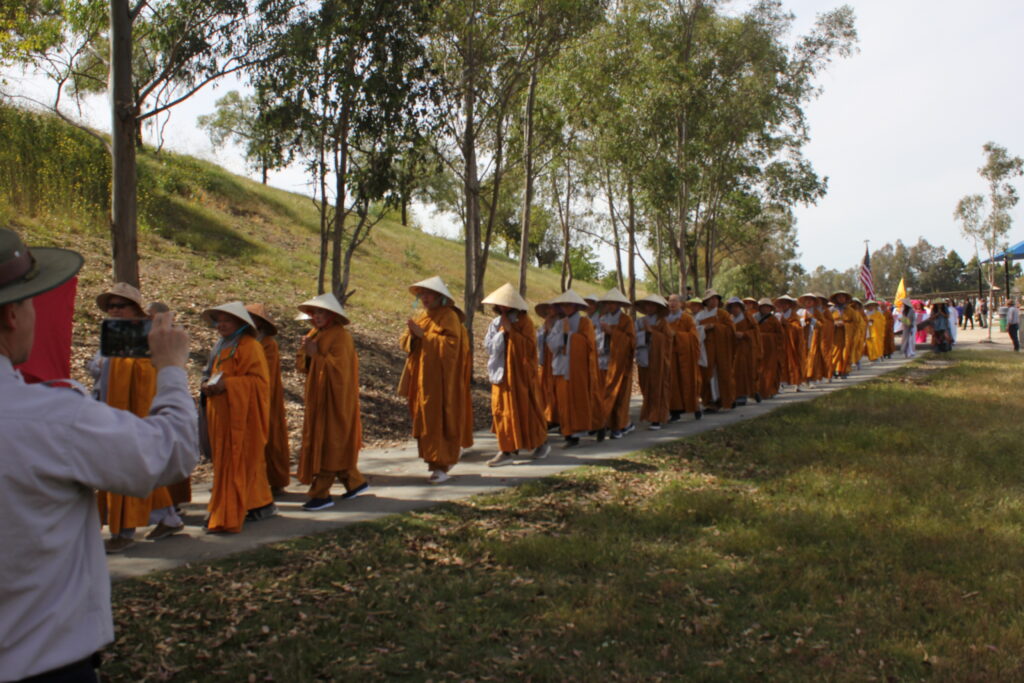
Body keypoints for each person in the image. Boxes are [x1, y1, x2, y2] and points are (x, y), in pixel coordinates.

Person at [0, 227, 197, 681]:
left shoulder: (54, 412)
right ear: (12, 314)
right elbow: (171, 451)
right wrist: (172, 369)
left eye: (121, 307)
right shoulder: (51, 417)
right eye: (30, 303)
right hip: (41, 660)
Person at [89, 283, 183, 553]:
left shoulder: (149, 334)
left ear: (135, 309)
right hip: (110, 407)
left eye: (121, 306)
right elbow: (99, 367)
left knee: (129, 466)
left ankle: (124, 529)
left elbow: (153, 369)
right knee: (134, 467)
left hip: (137, 409)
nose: (115, 311)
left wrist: (119, 366)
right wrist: (102, 366)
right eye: (111, 306)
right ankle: (168, 517)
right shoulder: (114, 332)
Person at [201, 301, 277, 532]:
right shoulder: (220, 346)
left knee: (243, 461)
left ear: (241, 323)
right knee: (228, 464)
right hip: (222, 415)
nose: (221, 325)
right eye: (219, 321)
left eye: (227, 321)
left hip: (244, 417)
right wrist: (206, 385)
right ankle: (257, 504)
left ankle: (235, 509)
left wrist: (229, 385)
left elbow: (259, 383)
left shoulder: (250, 346)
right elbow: (210, 374)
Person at [295, 293, 367, 509]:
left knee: (330, 443)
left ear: (332, 315)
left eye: (322, 312)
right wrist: (307, 353)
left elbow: (340, 371)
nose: (317, 316)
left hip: (336, 400)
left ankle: (321, 494)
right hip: (318, 398)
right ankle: (354, 483)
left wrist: (316, 355)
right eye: (315, 312)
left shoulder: (341, 336)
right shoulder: (315, 333)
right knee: (331, 441)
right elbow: (303, 367)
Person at [399, 276, 474, 482]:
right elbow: (405, 342)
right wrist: (412, 336)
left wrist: (424, 336)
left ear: (440, 297)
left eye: (429, 294)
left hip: (442, 383)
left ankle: (442, 465)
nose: (424, 298)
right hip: (423, 381)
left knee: (441, 419)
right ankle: (435, 462)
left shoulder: (448, 316)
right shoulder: (423, 317)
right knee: (426, 421)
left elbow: (452, 346)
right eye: (421, 294)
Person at [481, 283, 549, 466]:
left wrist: (511, 332)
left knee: (525, 410)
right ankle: (507, 450)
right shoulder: (495, 323)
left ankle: (539, 443)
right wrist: (501, 334)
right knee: (502, 412)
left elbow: (530, 348)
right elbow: (488, 346)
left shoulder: (524, 322)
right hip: (500, 373)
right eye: (500, 304)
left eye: (506, 304)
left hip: (520, 376)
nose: (503, 307)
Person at [545, 289, 602, 447]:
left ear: (576, 306)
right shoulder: (559, 323)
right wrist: (564, 335)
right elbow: (551, 344)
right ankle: (568, 432)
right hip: (561, 367)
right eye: (564, 305)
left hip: (578, 370)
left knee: (578, 400)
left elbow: (589, 344)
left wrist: (569, 336)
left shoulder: (585, 322)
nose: (566, 308)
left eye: (569, 305)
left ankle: (575, 435)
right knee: (564, 402)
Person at [246, 303, 291, 497]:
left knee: (271, 439)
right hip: (244, 398)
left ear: (260, 323)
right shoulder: (242, 342)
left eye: (252, 319)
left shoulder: (268, 344)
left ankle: (275, 480)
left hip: (266, 399)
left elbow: (267, 374)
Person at [597, 288, 637, 438]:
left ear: (619, 304)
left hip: (620, 364)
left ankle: (619, 425)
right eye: (608, 302)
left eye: (613, 303)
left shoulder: (626, 320)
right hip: (604, 361)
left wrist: (612, 332)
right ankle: (611, 422)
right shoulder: (602, 317)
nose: (610, 305)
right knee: (605, 394)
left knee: (620, 396)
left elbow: (631, 341)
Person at [634, 294, 673, 429]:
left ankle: (657, 418)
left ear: (657, 308)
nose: (649, 307)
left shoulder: (662, 322)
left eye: (652, 305)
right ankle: (650, 414)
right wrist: (644, 334)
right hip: (643, 358)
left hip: (658, 360)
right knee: (645, 387)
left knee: (658, 388)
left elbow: (668, 340)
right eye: (647, 305)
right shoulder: (640, 321)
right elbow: (633, 337)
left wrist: (651, 332)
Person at [695, 289, 736, 411]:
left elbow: (731, 330)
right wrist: (704, 328)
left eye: (716, 298)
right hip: (706, 349)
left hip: (722, 349)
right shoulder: (700, 316)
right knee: (707, 373)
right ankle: (710, 401)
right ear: (706, 302)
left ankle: (725, 399)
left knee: (723, 373)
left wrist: (716, 327)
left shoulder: (723, 314)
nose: (714, 301)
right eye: (711, 299)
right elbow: (694, 331)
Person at [667, 293, 703, 421]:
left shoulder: (687, 318)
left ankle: (695, 407)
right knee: (673, 383)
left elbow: (694, 337)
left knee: (688, 381)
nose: (672, 303)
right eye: (670, 301)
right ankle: (675, 411)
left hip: (686, 357)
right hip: (671, 356)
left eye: (675, 301)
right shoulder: (665, 319)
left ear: (681, 304)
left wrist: (677, 335)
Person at [727, 296, 759, 406]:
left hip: (746, 348)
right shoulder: (729, 319)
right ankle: (740, 393)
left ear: (741, 308)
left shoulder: (748, 318)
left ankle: (743, 395)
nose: (734, 309)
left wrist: (744, 334)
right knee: (733, 371)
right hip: (733, 349)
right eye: (732, 307)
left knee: (743, 371)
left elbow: (755, 332)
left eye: (737, 307)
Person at [535, 300, 560, 431]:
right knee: (543, 389)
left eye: (552, 309)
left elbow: (558, 342)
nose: (550, 311)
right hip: (544, 361)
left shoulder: (560, 323)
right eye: (548, 309)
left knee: (554, 390)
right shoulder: (544, 324)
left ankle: (555, 417)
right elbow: (538, 341)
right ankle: (546, 416)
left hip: (555, 361)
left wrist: (550, 329)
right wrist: (545, 329)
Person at [774, 295, 805, 390]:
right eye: (781, 303)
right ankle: (781, 382)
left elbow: (798, 329)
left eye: (785, 303)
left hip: (792, 344)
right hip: (781, 343)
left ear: (789, 304)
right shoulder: (777, 315)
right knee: (781, 362)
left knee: (794, 362)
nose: (783, 305)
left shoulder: (794, 316)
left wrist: (786, 324)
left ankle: (797, 382)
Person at [755, 298, 783, 398]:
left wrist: (766, 336)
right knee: (758, 369)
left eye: (767, 307)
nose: (765, 309)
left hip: (771, 350)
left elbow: (780, 335)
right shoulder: (754, 318)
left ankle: (770, 390)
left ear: (770, 309)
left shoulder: (774, 320)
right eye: (763, 307)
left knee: (770, 370)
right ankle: (759, 391)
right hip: (758, 348)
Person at [830, 291, 858, 379]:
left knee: (846, 352)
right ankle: (834, 370)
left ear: (846, 299)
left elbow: (855, 323)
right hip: (835, 335)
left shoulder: (850, 310)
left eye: (843, 297)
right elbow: (827, 322)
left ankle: (844, 370)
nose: (841, 299)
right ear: (835, 299)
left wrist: (846, 325)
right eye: (839, 297)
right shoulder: (831, 310)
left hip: (847, 335)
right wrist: (834, 324)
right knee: (835, 352)